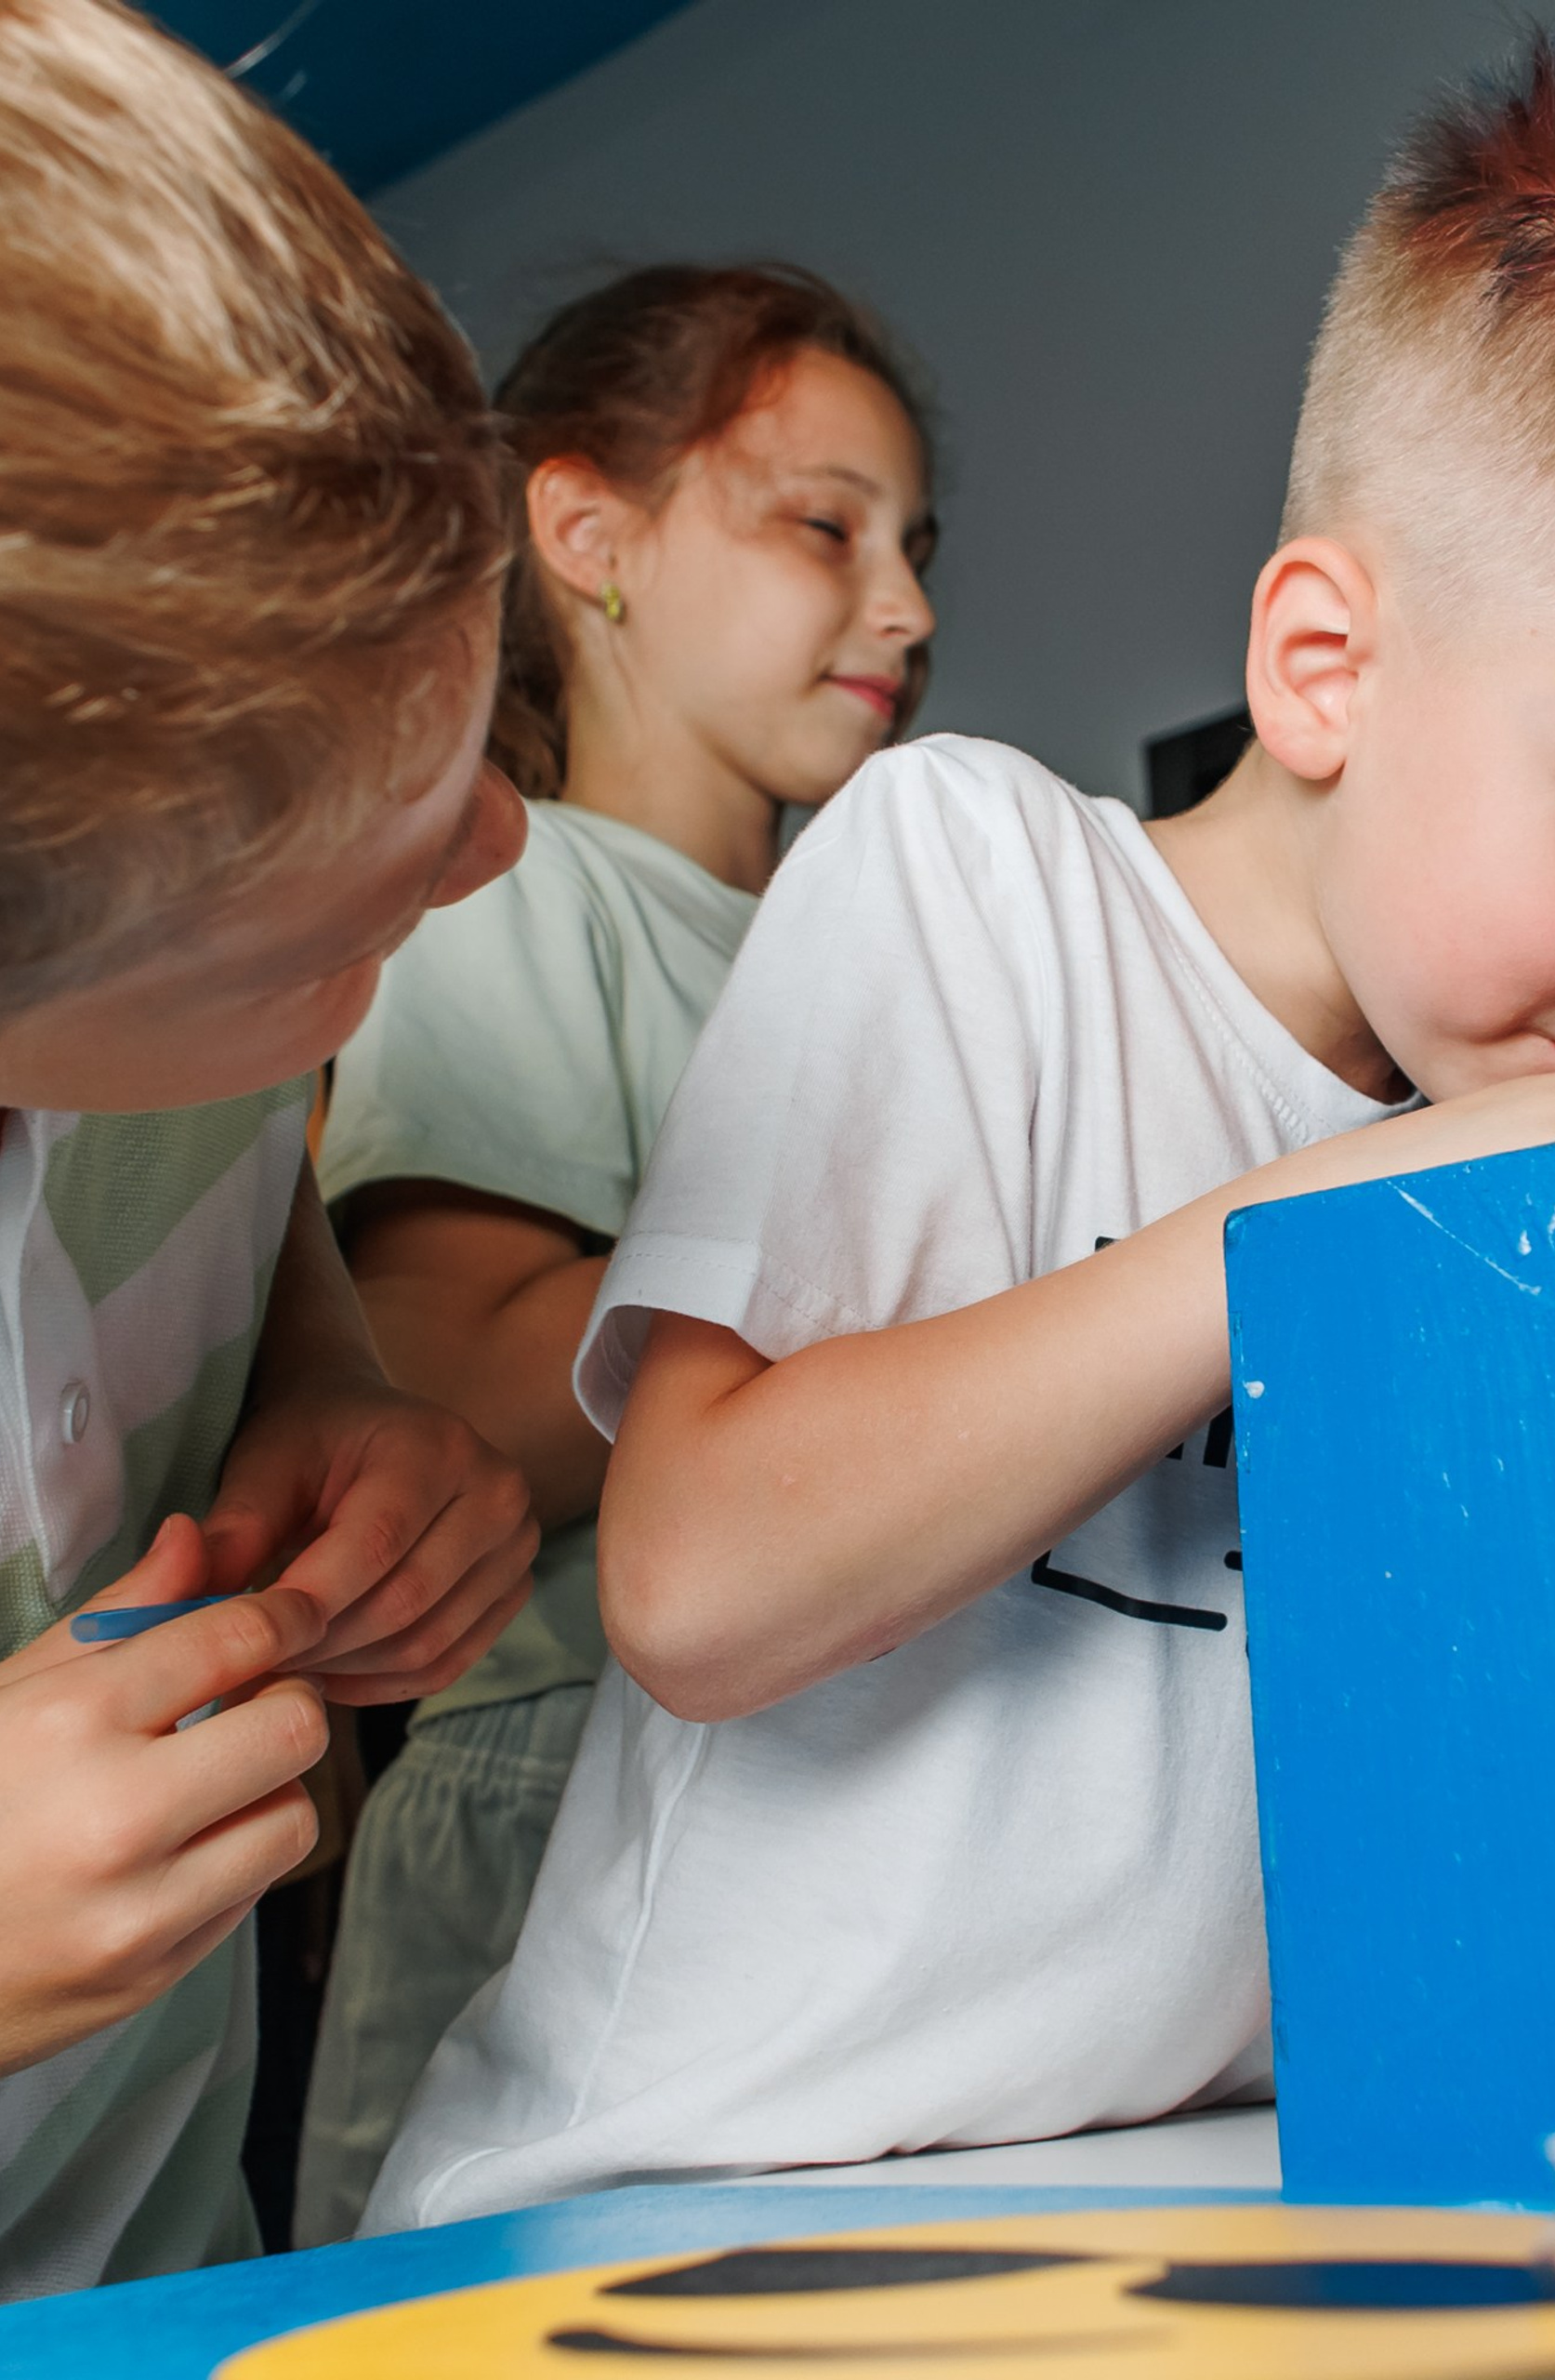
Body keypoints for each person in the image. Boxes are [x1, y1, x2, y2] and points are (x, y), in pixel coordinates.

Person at [366, 10, 1555, 2230]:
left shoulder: (1516, 1161)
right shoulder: (974, 873)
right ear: (1323, 665)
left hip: (1173, 2198)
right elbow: (692, 1579)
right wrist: (1321, 1226)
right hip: (689, 2204)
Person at [292, 264, 937, 2246]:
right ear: (587, 539)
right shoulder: (516, 889)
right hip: (557, 1790)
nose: (903, 605)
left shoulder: (873, 950)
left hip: (834, 1792)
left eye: (917, 548)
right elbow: (458, 1399)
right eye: (825, 525)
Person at [0, 0, 540, 2294]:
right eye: (350, 910)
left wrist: (325, 1376)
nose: (510, 848)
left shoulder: (166, 982)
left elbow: (224, 1176)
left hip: (169, 2249)